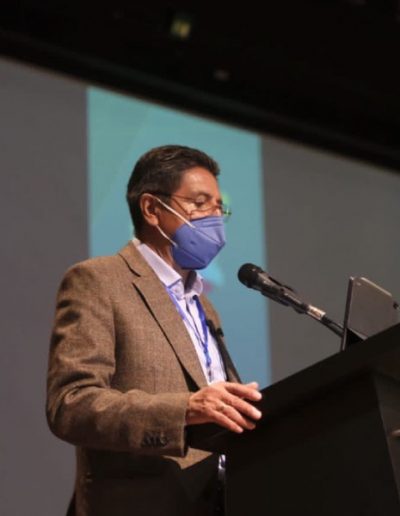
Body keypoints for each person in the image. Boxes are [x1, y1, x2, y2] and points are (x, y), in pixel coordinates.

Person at [46, 145, 262, 516]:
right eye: (199, 204)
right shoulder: (99, 280)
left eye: (219, 207)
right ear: (151, 209)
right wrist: (184, 409)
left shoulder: (204, 305)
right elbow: (71, 404)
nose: (214, 218)